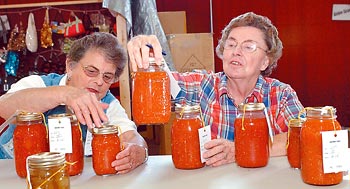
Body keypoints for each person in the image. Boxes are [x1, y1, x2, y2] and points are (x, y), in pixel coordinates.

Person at [127, 12, 304, 167]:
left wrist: (239, 149)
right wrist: (147, 56)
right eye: (231, 44)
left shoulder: (280, 95)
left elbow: (302, 138)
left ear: (265, 61)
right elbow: (162, 85)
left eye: (248, 47)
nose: (236, 51)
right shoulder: (204, 86)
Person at [0, 32, 147, 174]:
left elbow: (131, 137)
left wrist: (139, 151)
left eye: (107, 76)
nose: (99, 81)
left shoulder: (107, 104)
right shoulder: (39, 83)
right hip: (9, 172)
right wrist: (65, 93)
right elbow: (4, 106)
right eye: (91, 71)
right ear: (70, 66)